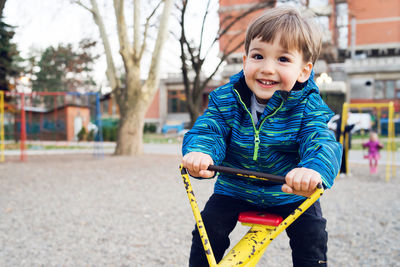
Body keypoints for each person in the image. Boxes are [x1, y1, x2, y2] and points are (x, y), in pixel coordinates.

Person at [182, 5, 342, 267]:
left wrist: (313, 170)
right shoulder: (226, 100)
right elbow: (211, 129)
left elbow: (320, 140)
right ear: (245, 60)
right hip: (235, 188)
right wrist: (201, 152)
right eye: (258, 56)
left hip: (289, 192)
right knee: (206, 230)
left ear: (304, 70)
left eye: (283, 59)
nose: (267, 68)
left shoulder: (307, 107)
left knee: (312, 237)